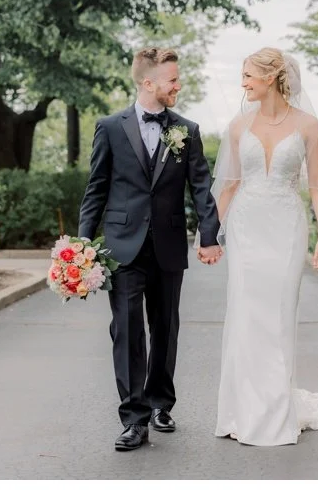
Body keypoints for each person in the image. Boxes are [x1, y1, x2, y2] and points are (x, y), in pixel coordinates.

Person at [78, 47, 222, 451]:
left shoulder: (187, 130)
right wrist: (81, 245)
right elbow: (97, 189)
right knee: (126, 332)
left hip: (169, 244)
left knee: (165, 328)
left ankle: (161, 402)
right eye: (172, 79)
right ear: (148, 83)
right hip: (123, 247)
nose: (179, 85)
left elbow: (201, 188)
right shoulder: (109, 127)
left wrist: (209, 235)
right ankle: (134, 418)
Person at [211, 47, 318, 444]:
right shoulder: (238, 126)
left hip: (287, 227)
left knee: (279, 316)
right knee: (246, 316)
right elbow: (230, 185)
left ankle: (275, 410)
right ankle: (243, 410)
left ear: (270, 77)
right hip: (246, 228)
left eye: (248, 75)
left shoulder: (307, 126)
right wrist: (208, 235)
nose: (243, 83)